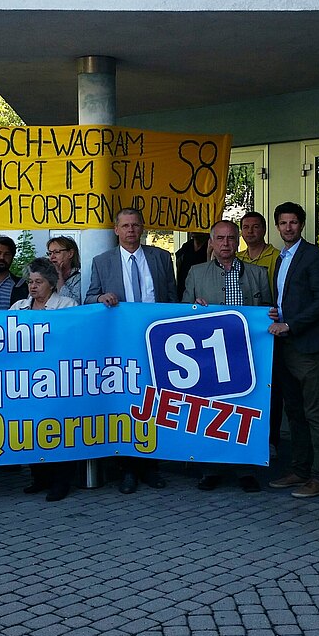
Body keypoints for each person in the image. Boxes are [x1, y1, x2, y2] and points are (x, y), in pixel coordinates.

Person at [85, 207, 178, 493]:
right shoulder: (102, 261)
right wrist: (101, 297)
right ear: (116, 230)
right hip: (121, 343)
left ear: (143, 228)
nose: (130, 231)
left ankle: (151, 466)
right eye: (125, 226)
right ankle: (127, 469)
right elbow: (89, 297)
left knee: (154, 402)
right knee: (127, 404)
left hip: (156, 342)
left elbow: (172, 298)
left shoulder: (161, 258)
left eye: (135, 225)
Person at [183, 219, 272, 492]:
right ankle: (210, 469)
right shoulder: (196, 273)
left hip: (247, 353)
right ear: (211, 242)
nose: (225, 243)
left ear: (238, 241)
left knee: (246, 410)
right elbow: (183, 311)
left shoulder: (257, 273)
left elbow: (267, 311)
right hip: (208, 356)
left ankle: (246, 469)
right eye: (220, 238)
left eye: (231, 238)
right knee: (211, 411)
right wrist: (193, 307)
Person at [265, 202, 319, 499]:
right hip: (284, 345)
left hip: (308, 346)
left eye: (293, 222)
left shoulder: (315, 256)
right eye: (283, 223)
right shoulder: (281, 258)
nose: (288, 227)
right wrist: (276, 314)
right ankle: (300, 469)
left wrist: (290, 324)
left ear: (302, 225)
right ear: (277, 226)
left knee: (315, 412)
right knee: (294, 411)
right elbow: (286, 298)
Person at [11, 257, 80, 501]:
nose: (33, 286)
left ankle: (61, 481)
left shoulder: (67, 305)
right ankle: (39, 477)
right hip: (28, 379)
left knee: (59, 429)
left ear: (51, 283)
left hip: (59, 378)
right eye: (30, 282)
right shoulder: (18, 307)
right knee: (32, 428)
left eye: (38, 282)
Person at [236, 211, 282, 454]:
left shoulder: (277, 257)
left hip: (269, 330)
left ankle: (271, 439)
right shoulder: (237, 258)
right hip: (241, 334)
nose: (250, 231)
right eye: (246, 227)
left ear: (264, 230)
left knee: (270, 387)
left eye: (255, 227)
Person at [46, 235, 83, 303]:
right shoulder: (46, 277)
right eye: (50, 253)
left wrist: (59, 275)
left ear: (70, 253)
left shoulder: (79, 279)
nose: (52, 257)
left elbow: (72, 304)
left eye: (56, 252)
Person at [174, 231, 210, 301]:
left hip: (203, 298)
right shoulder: (186, 247)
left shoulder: (212, 248)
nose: (194, 230)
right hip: (183, 294)